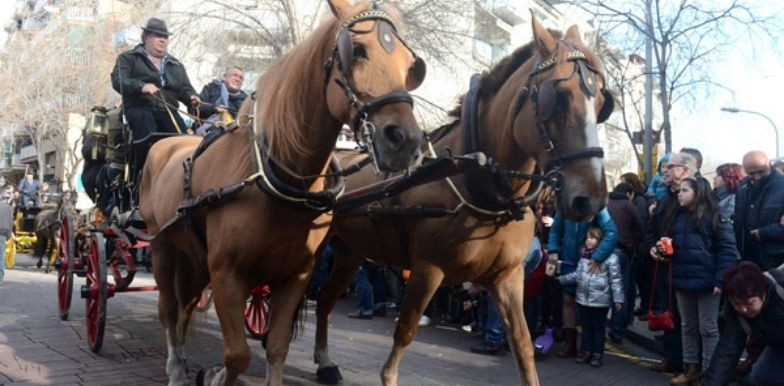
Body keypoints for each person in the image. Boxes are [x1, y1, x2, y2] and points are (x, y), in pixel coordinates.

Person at [651, 177, 737, 385]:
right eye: (679, 190)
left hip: (708, 283)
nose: (679, 194)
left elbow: (727, 251)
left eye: (684, 190)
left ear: (698, 192)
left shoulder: (715, 217)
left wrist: (720, 280)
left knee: (708, 329)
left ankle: (710, 371)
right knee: (688, 327)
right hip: (682, 280)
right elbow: (670, 245)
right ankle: (691, 368)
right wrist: (660, 249)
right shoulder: (676, 216)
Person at [110, 18, 199, 174]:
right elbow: (119, 80)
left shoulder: (176, 64)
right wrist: (141, 86)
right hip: (139, 108)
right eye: (159, 36)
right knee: (148, 130)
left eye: (165, 37)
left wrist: (192, 98)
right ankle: (144, 175)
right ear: (146, 38)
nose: (163, 40)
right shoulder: (128, 58)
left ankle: (180, 178)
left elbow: (185, 89)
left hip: (168, 112)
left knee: (184, 143)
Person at [646, 151, 700, 373]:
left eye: (670, 167)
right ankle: (672, 357)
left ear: (685, 171)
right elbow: (651, 227)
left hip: (689, 267)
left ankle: (692, 364)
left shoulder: (701, 198)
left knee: (689, 319)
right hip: (664, 267)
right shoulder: (666, 198)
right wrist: (652, 247)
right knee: (667, 311)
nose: (664, 171)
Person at [547, 207, 618, 358]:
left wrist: (597, 256)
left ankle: (587, 346)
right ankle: (570, 343)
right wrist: (553, 249)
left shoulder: (597, 205)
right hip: (569, 258)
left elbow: (611, 232)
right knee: (568, 299)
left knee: (586, 304)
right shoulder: (565, 206)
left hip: (590, 261)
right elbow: (555, 230)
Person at [702, 262, 784, 386]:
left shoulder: (779, 291)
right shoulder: (738, 314)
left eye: (749, 303)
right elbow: (727, 353)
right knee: (761, 375)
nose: (743, 309)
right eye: (737, 304)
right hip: (779, 343)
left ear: (764, 293)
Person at [557, 227, 624, 367]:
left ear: (601, 242)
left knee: (598, 329)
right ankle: (587, 351)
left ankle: (597, 354)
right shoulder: (584, 257)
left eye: (593, 238)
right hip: (583, 299)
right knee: (586, 328)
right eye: (587, 237)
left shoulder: (611, 258)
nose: (589, 240)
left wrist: (618, 298)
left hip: (600, 301)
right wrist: (561, 279)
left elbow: (616, 280)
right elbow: (577, 275)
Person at [734, 150, 784, 271]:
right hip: (748, 257)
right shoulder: (742, 187)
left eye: (761, 171)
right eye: (751, 173)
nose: (757, 176)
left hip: (776, 259)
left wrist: (764, 233)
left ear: (769, 164)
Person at [607, 182, 644, 343]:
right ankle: (617, 332)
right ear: (630, 194)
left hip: (601, 251)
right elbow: (641, 229)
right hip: (621, 251)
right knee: (619, 294)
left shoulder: (604, 203)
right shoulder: (629, 206)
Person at [0, 190, 12, 283]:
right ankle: (0, 277)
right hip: (3, 233)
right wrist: (9, 235)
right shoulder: (8, 207)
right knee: (1, 256)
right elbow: (10, 222)